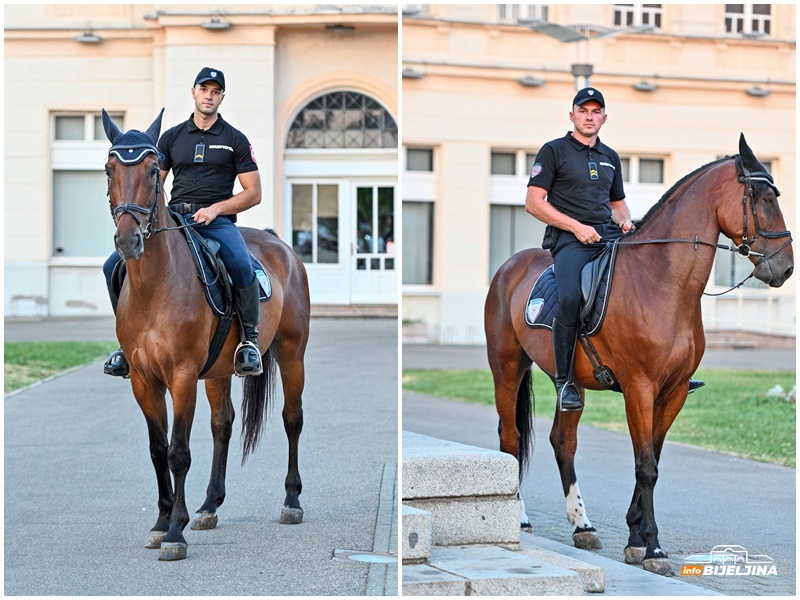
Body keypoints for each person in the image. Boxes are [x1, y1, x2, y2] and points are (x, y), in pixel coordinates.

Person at [103, 66, 264, 378]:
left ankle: (248, 342)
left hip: (216, 223)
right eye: (204, 89)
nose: (209, 96)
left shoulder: (235, 140)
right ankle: (127, 345)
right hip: (175, 219)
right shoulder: (172, 137)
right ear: (194, 92)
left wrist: (216, 210)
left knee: (243, 265)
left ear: (222, 97)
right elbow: (152, 184)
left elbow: (253, 193)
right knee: (112, 265)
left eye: (216, 91)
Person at [525, 87, 633, 411]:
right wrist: (576, 227)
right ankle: (565, 381)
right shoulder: (553, 151)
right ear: (572, 115)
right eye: (583, 111)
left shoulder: (610, 157)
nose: (589, 116)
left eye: (595, 111)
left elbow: (617, 204)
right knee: (571, 296)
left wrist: (626, 222)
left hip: (609, 237)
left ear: (604, 117)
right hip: (570, 240)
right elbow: (533, 203)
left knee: (646, 285)